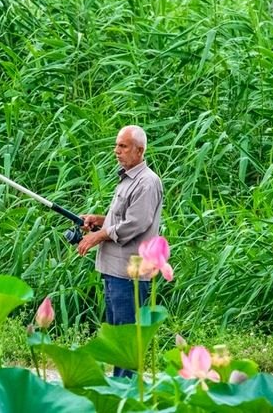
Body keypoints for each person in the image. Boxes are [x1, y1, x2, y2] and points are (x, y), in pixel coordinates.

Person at [76, 125, 162, 377]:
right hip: (113, 272)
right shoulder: (126, 179)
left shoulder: (147, 182)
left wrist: (98, 236)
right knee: (117, 340)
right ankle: (119, 395)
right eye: (116, 145)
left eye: (123, 146)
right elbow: (120, 219)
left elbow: (137, 223)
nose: (117, 151)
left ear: (139, 150)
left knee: (126, 342)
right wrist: (98, 219)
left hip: (130, 276)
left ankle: (127, 396)